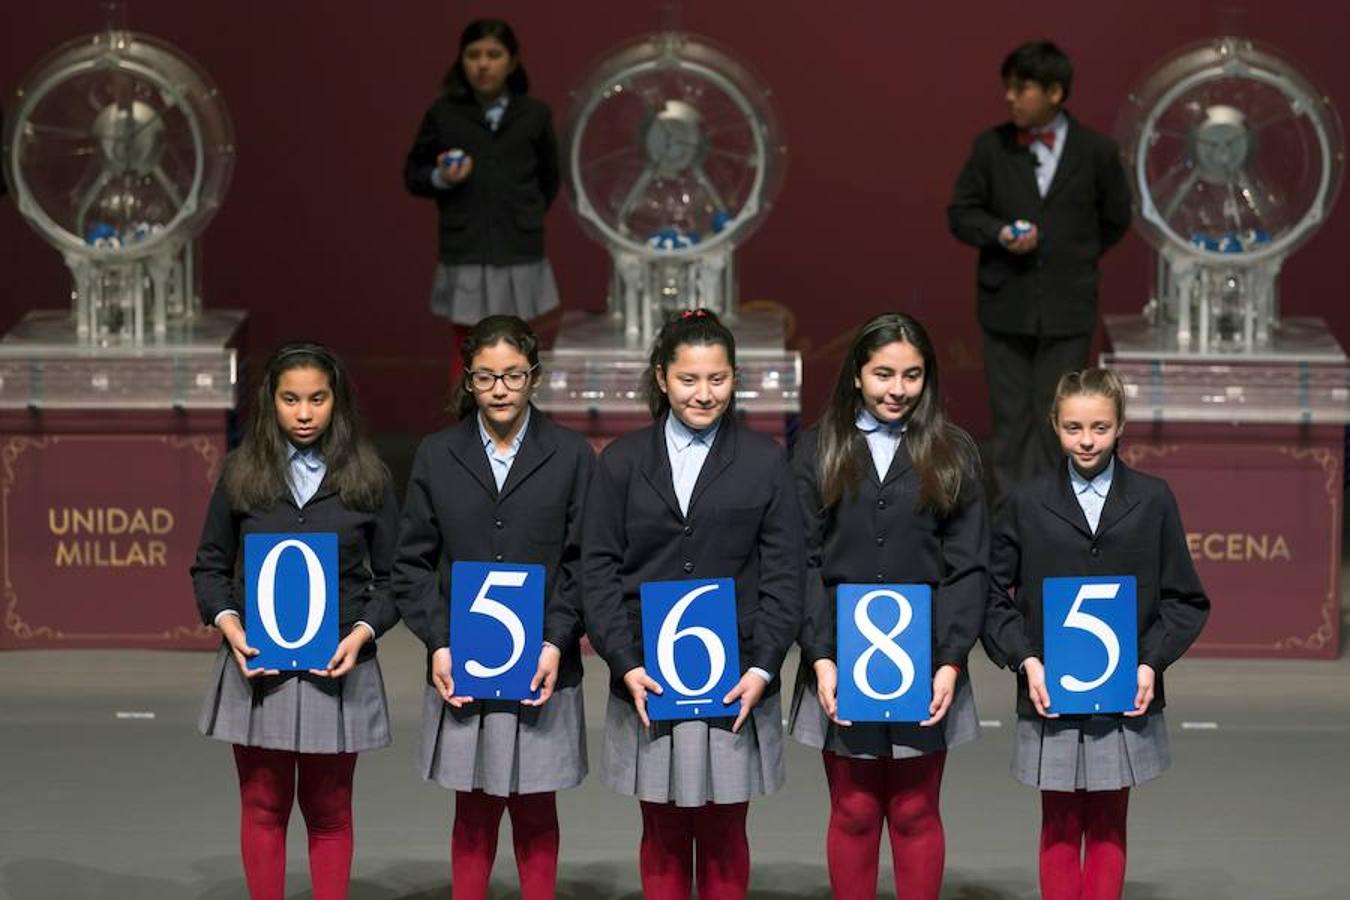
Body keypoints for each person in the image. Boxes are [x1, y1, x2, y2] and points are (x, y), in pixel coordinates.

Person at [581, 309, 804, 900]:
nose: (704, 395)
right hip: (647, 676)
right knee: (661, 831)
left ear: (734, 379)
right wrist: (624, 662)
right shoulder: (623, 461)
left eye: (718, 380)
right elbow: (597, 568)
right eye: (688, 380)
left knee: (727, 830)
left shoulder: (765, 460)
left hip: (737, 677)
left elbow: (785, 572)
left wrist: (762, 667)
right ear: (661, 377)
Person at [982, 367, 1210, 899]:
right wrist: (1025, 660)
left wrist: (1150, 663)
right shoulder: (1024, 501)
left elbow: (1185, 598)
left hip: (1124, 694)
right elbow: (992, 596)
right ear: (1055, 426)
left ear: (1121, 426)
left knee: (1108, 820)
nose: (1087, 440)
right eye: (1074, 428)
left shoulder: (1154, 500)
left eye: (1100, 428)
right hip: (1050, 694)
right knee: (1058, 821)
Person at [789, 312, 988, 900]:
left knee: (915, 808)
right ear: (856, 374)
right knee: (851, 808)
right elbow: (801, 559)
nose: (897, 389)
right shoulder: (816, 449)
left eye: (911, 375)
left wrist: (949, 660)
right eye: (882, 374)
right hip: (837, 656)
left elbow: (969, 565)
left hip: (925, 658)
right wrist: (821, 656)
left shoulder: (954, 452)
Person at [393, 315, 593, 900]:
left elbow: (585, 561)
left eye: (512, 375)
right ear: (468, 381)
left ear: (534, 377)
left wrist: (558, 640)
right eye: (486, 376)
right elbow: (411, 564)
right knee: (474, 811)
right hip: (464, 663)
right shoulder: (437, 455)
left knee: (536, 809)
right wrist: (438, 642)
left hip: (543, 664)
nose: (500, 388)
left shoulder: (572, 455)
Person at [192, 342, 399, 900]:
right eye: (290, 399)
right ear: (271, 403)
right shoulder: (241, 472)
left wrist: (363, 633)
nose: (304, 413)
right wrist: (229, 624)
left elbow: (396, 578)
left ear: (337, 402)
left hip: (339, 667)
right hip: (258, 668)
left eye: (316, 399)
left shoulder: (369, 477)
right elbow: (209, 566)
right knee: (263, 804)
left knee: (330, 810)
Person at [947, 40, 1132, 499]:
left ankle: (1059, 516)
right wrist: (999, 234)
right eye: (1007, 88)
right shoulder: (990, 148)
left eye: (1021, 88)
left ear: (1054, 92)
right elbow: (961, 213)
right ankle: (1011, 523)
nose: (1010, 97)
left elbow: (1115, 220)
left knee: (1064, 421)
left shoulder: (1097, 152)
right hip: (1004, 305)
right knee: (1011, 424)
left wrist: (1074, 256)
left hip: (1068, 307)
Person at [404, 19, 561, 379]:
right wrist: (442, 177)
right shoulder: (443, 114)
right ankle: (467, 427)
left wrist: (525, 212)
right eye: (474, 55)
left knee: (520, 343)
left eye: (494, 54)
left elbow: (549, 180)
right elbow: (414, 174)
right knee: (468, 345)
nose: (483, 64)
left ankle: (524, 427)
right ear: (461, 60)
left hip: (518, 244)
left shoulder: (535, 115)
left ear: (512, 60)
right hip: (467, 245)